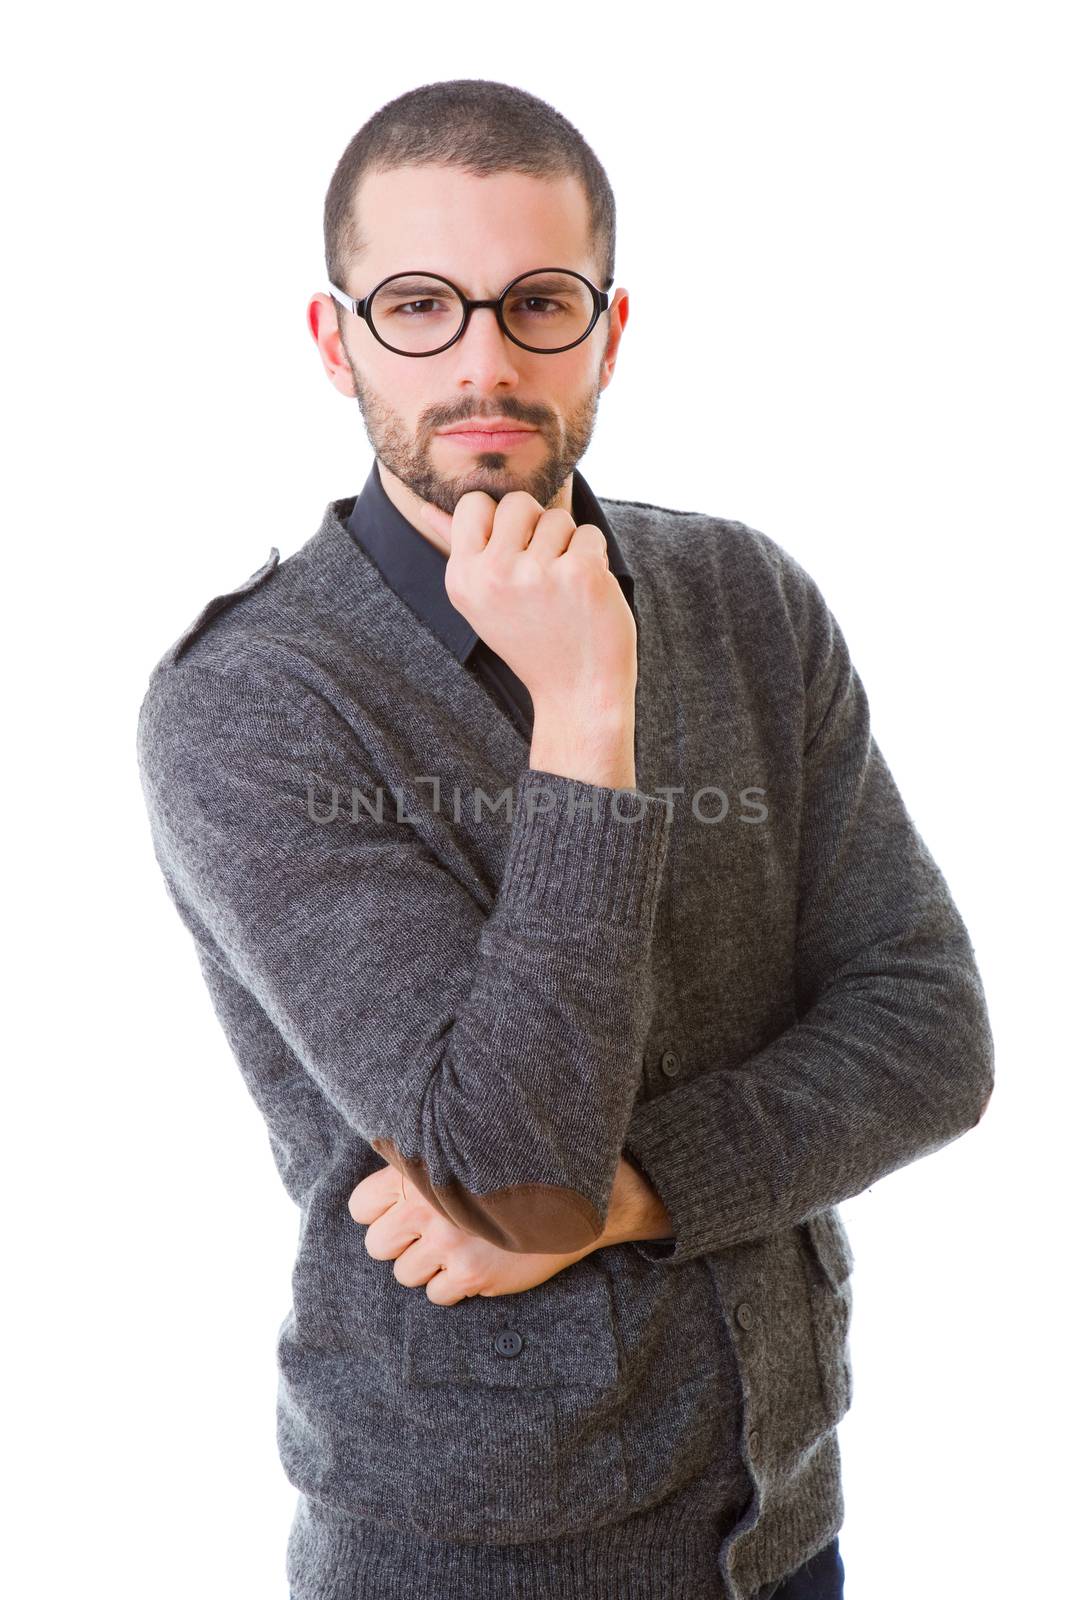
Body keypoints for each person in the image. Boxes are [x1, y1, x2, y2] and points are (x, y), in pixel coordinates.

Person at [136, 78, 993, 1600]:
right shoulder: (253, 706)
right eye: (419, 304)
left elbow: (931, 1036)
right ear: (336, 341)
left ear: (607, 327)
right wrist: (584, 715)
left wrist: (640, 1191)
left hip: (781, 1518)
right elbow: (515, 1175)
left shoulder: (746, 600)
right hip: (475, 1556)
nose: (484, 360)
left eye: (540, 303)